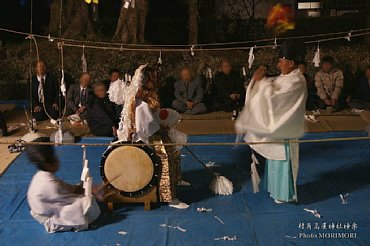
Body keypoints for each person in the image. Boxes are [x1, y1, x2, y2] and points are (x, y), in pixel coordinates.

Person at [236, 40, 307, 203]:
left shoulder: (296, 80)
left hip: (286, 131)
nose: (279, 64)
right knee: (275, 160)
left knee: (283, 161)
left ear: (291, 63)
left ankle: (285, 194)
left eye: (281, 61)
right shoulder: (287, 77)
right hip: (279, 130)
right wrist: (258, 82)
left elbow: (275, 98)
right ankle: (276, 190)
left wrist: (259, 83)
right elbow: (274, 87)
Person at [26, 137, 101, 233]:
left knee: (83, 195)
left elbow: (65, 188)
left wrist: (81, 189)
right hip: (53, 218)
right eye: (56, 158)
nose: (58, 160)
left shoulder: (41, 176)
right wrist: (90, 194)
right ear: (49, 164)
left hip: (49, 208)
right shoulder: (50, 185)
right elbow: (69, 200)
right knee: (89, 204)